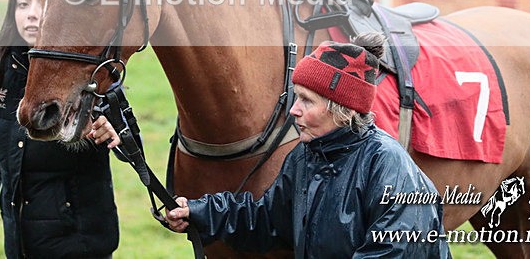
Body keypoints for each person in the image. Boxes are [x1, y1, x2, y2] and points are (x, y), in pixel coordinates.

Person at [165, 33, 449, 258]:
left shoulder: (388, 167)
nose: (293, 110)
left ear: (343, 109)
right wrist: (200, 212)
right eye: (295, 97)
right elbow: (268, 221)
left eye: (306, 100)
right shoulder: (305, 157)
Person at [0, 0, 122, 259]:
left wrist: (113, 132)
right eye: (23, 4)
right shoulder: (0, 76)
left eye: (42, 4)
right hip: (22, 247)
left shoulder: (88, 76)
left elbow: (129, 144)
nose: (32, 14)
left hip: (81, 248)